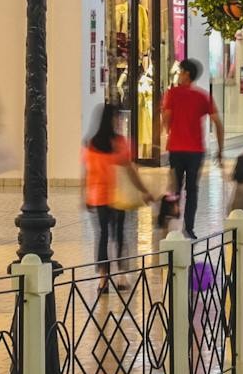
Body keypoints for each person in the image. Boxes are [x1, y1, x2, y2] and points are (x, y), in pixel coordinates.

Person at [159, 57, 222, 237]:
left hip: (176, 149)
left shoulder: (172, 94)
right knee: (192, 189)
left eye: (180, 71)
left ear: (187, 74)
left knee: (175, 187)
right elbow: (218, 123)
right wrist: (220, 150)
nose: (178, 75)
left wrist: (166, 129)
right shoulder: (202, 96)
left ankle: (171, 223)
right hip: (195, 151)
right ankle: (189, 228)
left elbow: (167, 120)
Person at [81, 105, 144, 264]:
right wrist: (143, 190)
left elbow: (87, 173)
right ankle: (121, 275)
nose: (119, 121)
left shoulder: (90, 144)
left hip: (99, 196)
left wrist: (85, 196)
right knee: (119, 233)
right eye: (117, 117)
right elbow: (129, 170)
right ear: (110, 120)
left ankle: (103, 278)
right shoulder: (120, 142)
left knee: (102, 235)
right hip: (117, 196)